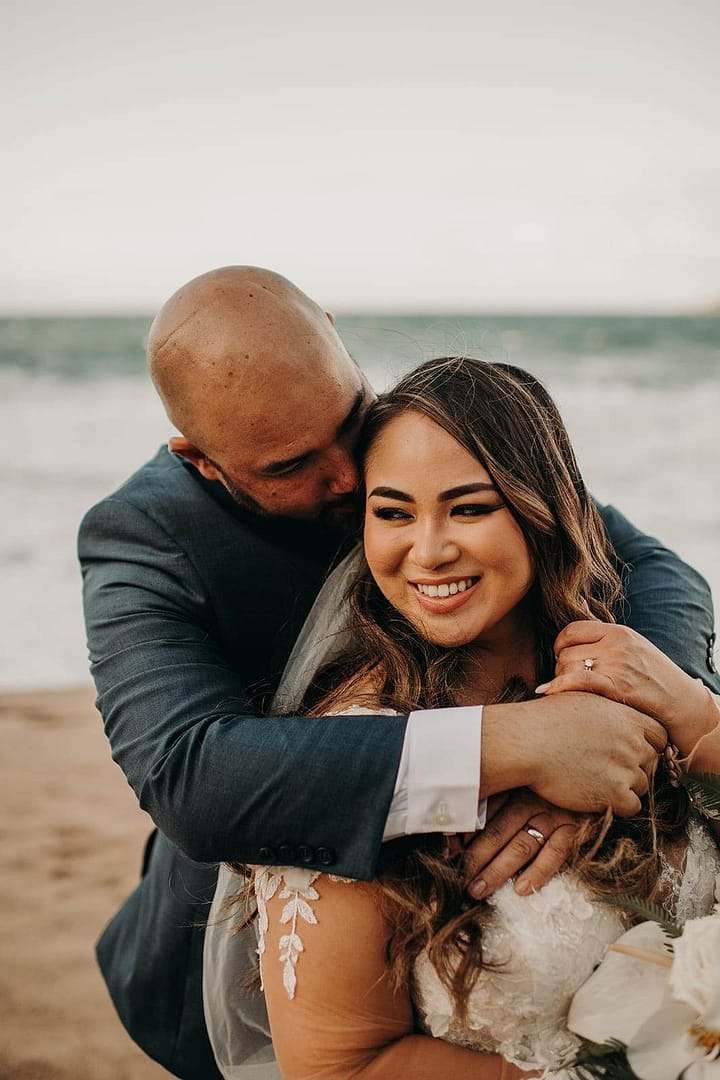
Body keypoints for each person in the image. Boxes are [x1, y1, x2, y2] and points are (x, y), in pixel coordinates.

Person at [78, 267, 719, 1079]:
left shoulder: (416, 436)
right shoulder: (142, 537)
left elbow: (656, 570)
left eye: (348, 418)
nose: (350, 476)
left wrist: (622, 708)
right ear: (201, 462)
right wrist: (520, 743)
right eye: (291, 467)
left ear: (337, 341)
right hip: (251, 937)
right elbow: (192, 778)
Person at [215, 357, 720, 1079]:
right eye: (393, 513)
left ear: (545, 508)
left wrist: (692, 713)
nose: (428, 551)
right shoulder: (345, 762)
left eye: (470, 508)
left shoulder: (629, 675)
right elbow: (340, 1067)